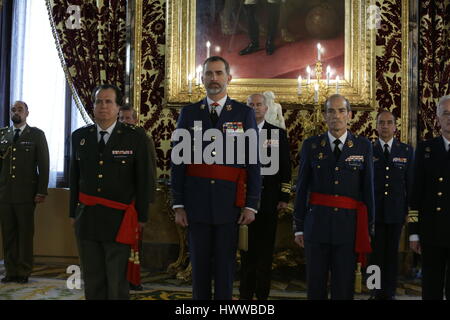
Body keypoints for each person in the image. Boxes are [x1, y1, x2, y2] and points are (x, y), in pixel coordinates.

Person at [171, 56, 261, 300]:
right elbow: (178, 162)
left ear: (229, 78)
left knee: (225, 267)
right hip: (196, 204)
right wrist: (178, 204)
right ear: (202, 78)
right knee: (198, 268)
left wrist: (251, 204)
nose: (214, 78)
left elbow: (253, 162)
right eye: (209, 74)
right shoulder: (188, 113)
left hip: (228, 205)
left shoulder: (243, 113)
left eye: (219, 73)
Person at [69, 84, 151, 300]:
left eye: (108, 101)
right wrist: (72, 213)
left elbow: (144, 179)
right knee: (93, 277)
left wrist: (142, 216)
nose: (102, 106)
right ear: (93, 106)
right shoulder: (80, 137)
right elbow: (75, 177)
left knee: (116, 280)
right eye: (98, 101)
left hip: (119, 219)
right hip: (87, 217)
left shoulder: (135, 137)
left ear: (117, 107)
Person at [293, 94, 375, 300]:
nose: (336, 116)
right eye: (331, 111)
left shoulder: (363, 146)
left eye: (341, 111)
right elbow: (302, 188)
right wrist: (299, 226)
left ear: (349, 115)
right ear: (324, 115)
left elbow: (368, 190)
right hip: (316, 225)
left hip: (348, 227)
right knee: (315, 285)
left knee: (344, 285)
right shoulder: (311, 145)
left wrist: (368, 227)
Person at [239, 93, 291, 300]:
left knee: (264, 255)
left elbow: (286, 168)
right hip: (242, 203)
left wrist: (284, 197)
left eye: (259, 105)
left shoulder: (277, 133)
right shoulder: (237, 133)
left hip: (268, 202)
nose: (255, 108)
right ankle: (244, 297)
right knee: (245, 254)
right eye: (251, 105)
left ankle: (262, 298)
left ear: (266, 108)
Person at [0, 101, 50, 284]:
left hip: (26, 195)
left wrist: (41, 191)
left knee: (25, 234)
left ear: (27, 113)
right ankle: (10, 271)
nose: (16, 112)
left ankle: (23, 271)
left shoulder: (36, 135)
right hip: (5, 194)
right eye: (13, 109)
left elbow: (44, 165)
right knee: (8, 234)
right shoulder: (3, 135)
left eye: (20, 109)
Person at [369, 110, 414, 300]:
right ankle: (375, 291)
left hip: (396, 212)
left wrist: (409, 212)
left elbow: (410, 184)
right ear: (376, 126)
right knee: (374, 255)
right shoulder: (368, 149)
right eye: (381, 123)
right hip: (374, 213)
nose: (385, 126)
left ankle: (389, 292)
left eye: (389, 123)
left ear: (395, 126)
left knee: (391, 255)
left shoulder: (405, 151)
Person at [409, 95, 450, 300]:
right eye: (445, 113)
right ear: (437, 118)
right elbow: (415, 195)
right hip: (432, 232)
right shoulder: (426, 149)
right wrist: (414, 232)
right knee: (431, 288)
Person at [118, 106, 157, 291]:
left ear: (135, 120)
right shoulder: (114, 138)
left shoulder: (143, 139)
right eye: (122, 118)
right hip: (118, 201)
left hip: (136, 201)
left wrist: (146, 201)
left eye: (128, 118)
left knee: (134, 243)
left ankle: (133, 278)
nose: (125, 122)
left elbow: (149, 171)